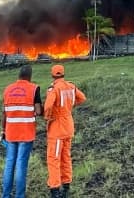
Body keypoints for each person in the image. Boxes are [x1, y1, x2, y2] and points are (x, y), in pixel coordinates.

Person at [44, 64, 86, 198]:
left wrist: (48, 117)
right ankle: (66, 185)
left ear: (52, 75)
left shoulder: (54, 88)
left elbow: (48, 106)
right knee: (66, 157)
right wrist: (69, 107)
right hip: (68, 125)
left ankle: (55, 189)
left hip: (57, 128)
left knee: (53, 158)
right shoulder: (71, 86)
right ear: (63, 74)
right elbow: (82, 98)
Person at [1, 65, 43, 198]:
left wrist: (3, 130)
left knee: (9, 163)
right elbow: (38, 111)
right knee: (21, 165)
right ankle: (20, 195)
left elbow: (4, 113)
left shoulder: (7, 89)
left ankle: (6, 195)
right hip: (26, 133)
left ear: (18, 76)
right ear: (30, 77)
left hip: (10, 132)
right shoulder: (33, 88)